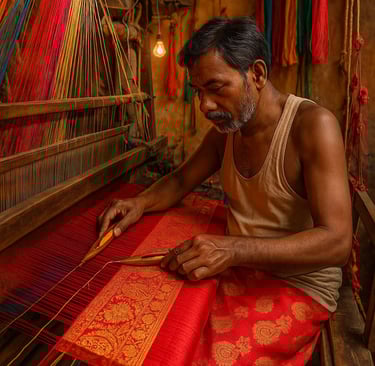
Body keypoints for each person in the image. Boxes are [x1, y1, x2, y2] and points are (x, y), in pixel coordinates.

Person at [98, 16, 352, 365]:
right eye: (199, 92)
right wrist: (139, 202)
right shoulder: (227, 133)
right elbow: (179, 181)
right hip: (239, 268)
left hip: (297, 286)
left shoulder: (312, 126)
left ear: (257, 75)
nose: (205, 106)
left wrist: (232, 249)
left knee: (192, 357)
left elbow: (337, 242)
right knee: (146, 334)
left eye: (216, 87)